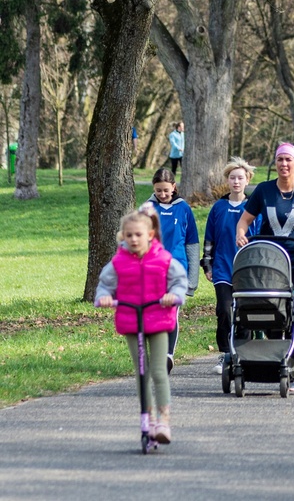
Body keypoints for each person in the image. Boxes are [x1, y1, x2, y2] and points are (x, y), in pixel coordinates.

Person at [236, 143, 294, 389]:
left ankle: (293, 364)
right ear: (275, 163)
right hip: (269, 261)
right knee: (270, 307)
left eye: (289, 160)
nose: (284, 164)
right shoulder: (264, 191)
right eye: (280, 160)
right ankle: (274, 362)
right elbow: (245, 220)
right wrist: (241, 234)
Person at [95, 204, 188, 445]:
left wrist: (174, 296)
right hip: (131, 319)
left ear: (150, 235)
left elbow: (179, 282)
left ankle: (163, 420)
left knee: (158, 371)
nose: (134, 239)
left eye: (138, 235)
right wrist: (104, 297)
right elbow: (105, 284)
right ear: (122, 237)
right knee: (141, 373)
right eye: (129, 235)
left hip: (158, 318)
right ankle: (146, 416)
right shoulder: (118, 262)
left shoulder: (163, 259)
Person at [201, 157, 261, 374]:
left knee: (244, 312)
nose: (236, 182)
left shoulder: (254, 208)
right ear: (227, 180)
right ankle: (226, 353)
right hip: (222, 269)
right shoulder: (218, 207)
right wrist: (207, 265)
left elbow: (260, 238)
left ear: (247, 181)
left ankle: (243, 353)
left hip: (248, 271)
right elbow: (210, 238)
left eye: (240, 178)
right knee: (225, 310)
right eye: (232, 178)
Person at [148, 168, 199, 373]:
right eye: (158, 190)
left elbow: (192, 243)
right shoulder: (147, 209)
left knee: (170, 312)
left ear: (174, 187)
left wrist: (192, 279)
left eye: (166, 190)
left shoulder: (184, 209)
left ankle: (167, 355)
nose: (162, 194)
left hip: (177, 270)